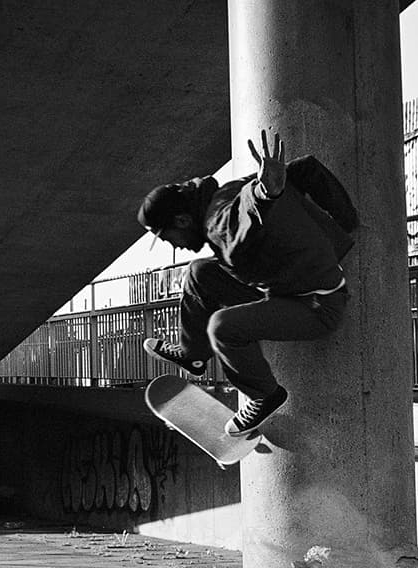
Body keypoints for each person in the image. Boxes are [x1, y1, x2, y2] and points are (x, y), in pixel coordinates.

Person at [137, 131, 357, 436]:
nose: (174, 246)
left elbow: (243, 218)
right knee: (199, 272)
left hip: (315, 306)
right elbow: (306, 168)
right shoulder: (226, 191)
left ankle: (265, 395)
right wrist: (346, 223)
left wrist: (266, 194)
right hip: (285, 288)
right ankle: (194, 355)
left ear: (182, 221)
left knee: (222, 327)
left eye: (167, 238)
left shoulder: (218, 223)